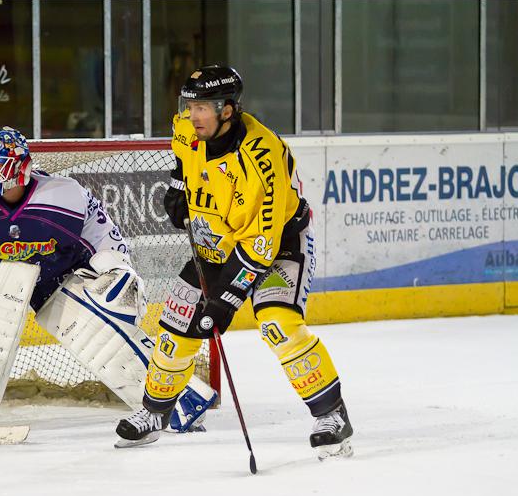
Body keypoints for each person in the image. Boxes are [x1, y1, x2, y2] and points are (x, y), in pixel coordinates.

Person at [0, 126, 215, 431]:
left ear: (20, 169)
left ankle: (178, 398)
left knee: (102, 339)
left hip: (59, 281)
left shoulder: (64, 197)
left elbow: (103, 237)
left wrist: (117, 270)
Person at [115, 66, 353, 459]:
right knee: (177, 326)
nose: (192, 115)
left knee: (278, 323)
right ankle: (155, 412)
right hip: (218, 241)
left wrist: (224, 302)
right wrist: (178, 188)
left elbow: (260, 247)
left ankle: (331, 414)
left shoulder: (261, 157)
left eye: (202, 107)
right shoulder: (188, 128)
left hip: (279, 245)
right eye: (190, 105)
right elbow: (183, 159)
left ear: (227, 110)